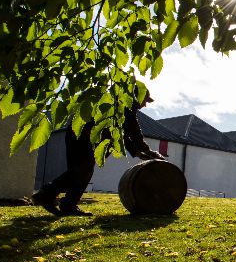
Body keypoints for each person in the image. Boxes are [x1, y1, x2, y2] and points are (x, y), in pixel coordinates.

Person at [32, 90, 163, 216]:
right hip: (84, 135)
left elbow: (120, 133)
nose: (145, 105)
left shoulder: (117, 105)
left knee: (80, 171)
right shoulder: (124, 103)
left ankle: (65, 203)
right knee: (82, 170)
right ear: (137, 96)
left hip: (78, 133)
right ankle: (48, 195)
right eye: (144, 101)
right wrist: (145, 149)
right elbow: (132, 128)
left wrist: (138, 151)